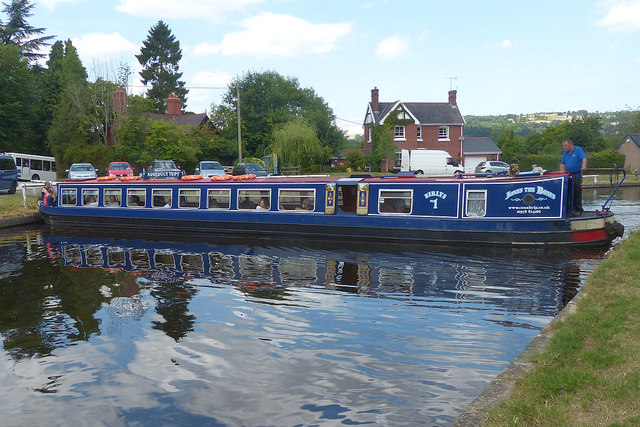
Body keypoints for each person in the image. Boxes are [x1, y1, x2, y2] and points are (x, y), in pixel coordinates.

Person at [560, 138, 587, 215]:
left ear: (570, 144)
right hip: (568, 175)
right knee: (568, 192)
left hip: (576, 175)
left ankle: (578, 209)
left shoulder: (578, 150)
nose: (564, 147)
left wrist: (584, 166)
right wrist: (562, 171)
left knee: (577, 191)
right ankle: (569, 209)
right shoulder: (565, 153)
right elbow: (562, 164)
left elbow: (583, 158)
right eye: (563, 146)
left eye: (565, 145)